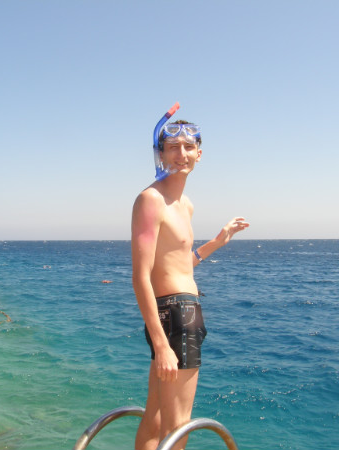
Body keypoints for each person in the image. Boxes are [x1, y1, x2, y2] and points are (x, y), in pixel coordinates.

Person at [132, 118, 249, 450]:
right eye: (172, 147)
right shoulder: (151, 200)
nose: (181, 154)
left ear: (199, 153)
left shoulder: (186, 205)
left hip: (177, 315)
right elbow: (141, 276)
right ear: (160, 154)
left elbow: (180, 264)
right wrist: (161, 344)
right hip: (175, 318)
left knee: (157, 417)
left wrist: (217, 242)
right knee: (177, 426)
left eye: (188, 147)